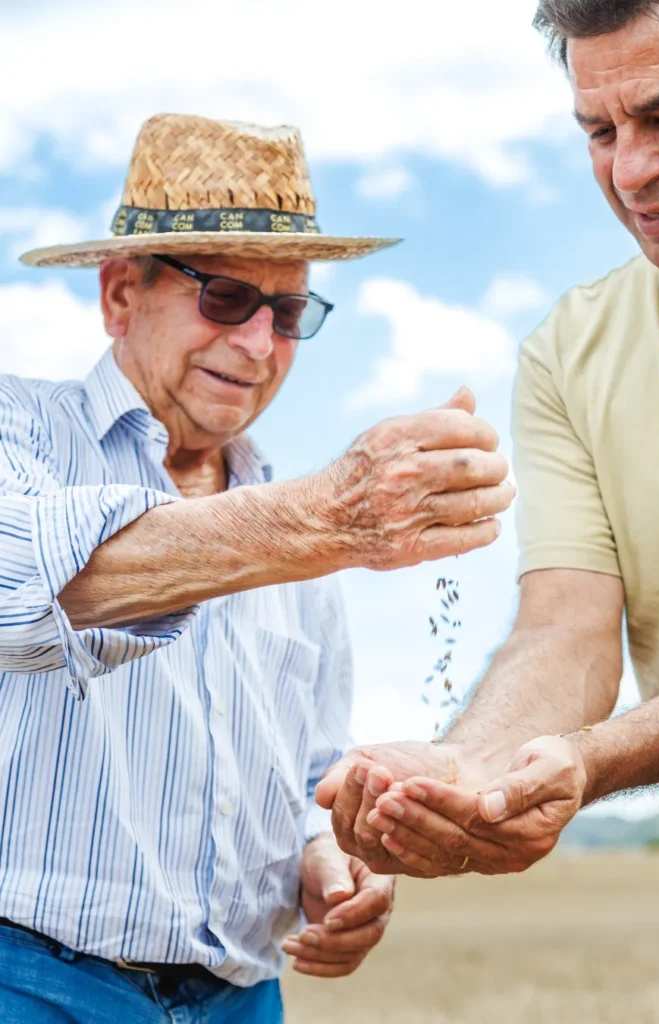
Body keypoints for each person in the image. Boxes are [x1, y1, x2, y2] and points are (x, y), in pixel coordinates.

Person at [317, 2, 659, 1020]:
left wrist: (590, 762)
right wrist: (471, 763)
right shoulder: (572, 350)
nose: (632, 171)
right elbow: (567, 627)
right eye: (601, 131)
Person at [0, 112, 514, 1023]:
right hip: (31, 981)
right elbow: (23, 586)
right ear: (120, 294)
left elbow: (309, 759)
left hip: (243, 996)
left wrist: (325, 856)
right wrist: (324, 520)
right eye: (226, 298)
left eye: (287, 313)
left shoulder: (298, 518)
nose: (257, 343)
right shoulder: (20, 434)